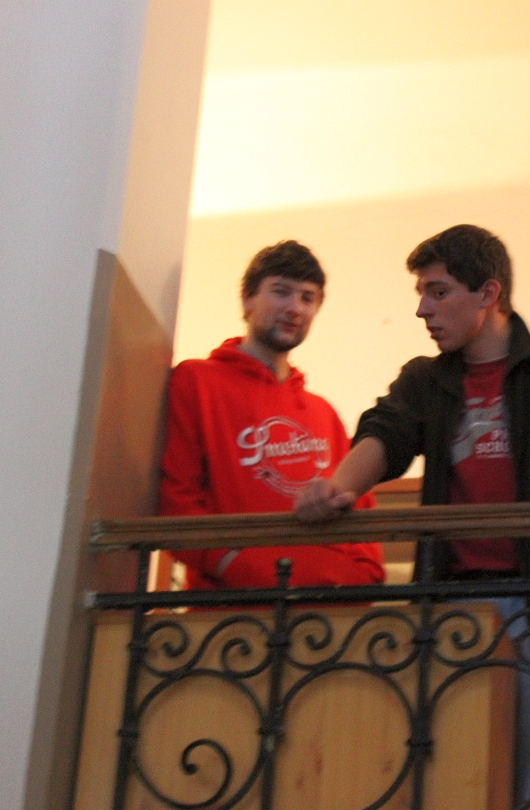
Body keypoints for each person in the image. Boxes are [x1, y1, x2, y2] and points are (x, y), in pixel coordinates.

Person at [294, 224, 530, 810]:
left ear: (489, 293)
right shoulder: (426, 378)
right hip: (452, 609)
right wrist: (335, 487)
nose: (423, 309)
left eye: (439, 291)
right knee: (450, 791)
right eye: (421, 293)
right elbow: (387, 429)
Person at [158, 240, 385, 589]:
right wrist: (236, 566)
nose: (295, 308)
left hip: (331, 608)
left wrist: (362, 578)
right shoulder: (196, 382)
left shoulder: (324, 413)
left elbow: (359, 509)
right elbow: (177, 500)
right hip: (231, 609)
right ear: (247, 300)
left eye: (308, 297)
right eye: (281, 292)